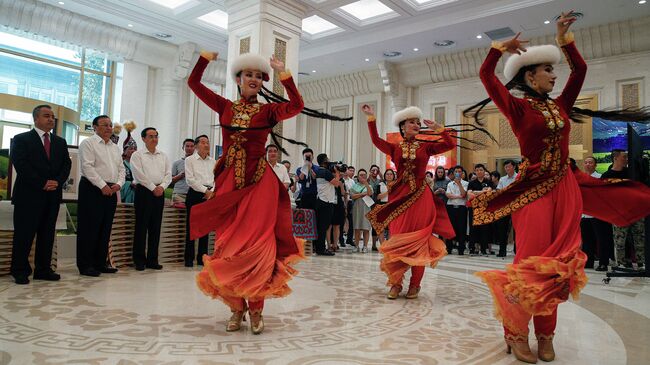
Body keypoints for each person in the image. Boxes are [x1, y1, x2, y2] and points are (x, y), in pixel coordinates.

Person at [465, 12, 650, 363]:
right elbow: (486, 77)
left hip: (564, 187)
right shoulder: (517, 108)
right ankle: (516, 332)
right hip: (533, 190)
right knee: (531, 262)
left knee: (558, 265)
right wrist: (498, 49)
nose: (554, 76)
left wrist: (564, 37)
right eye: (548, 70)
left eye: (554, 70)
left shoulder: (561, 106)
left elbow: (580, 71)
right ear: (530, 75)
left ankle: (546, 334)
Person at [187, 50, 305, 335]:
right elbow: (194, 83)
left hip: (259, 185)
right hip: (228, 183)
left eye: (257, 75)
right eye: (247, 74)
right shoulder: (225, 106)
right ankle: (236, 308)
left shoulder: (268, 112)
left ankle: (256, 310)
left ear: (262, 81)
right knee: (230, 246)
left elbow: (297, 105)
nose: (252, 79)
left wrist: (284, 74)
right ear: (238, 79)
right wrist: (204, 58)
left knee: (258, 246)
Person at [363, 104, 456, 300]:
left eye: (417, 122)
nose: (416, 124)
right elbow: (375, 140)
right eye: (412, 122)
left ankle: (415, 284)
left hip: (421, 198)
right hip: (400, 197)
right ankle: (396, 283)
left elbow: (449, 145)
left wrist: (440, 130)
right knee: (398, 240)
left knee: (419, 240)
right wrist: (371, 118)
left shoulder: (425, 146)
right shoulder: (395, 148)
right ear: (403, 126)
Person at [10, 105, 71, 285]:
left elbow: (66, 165)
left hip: (52, 196)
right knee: (24, 234)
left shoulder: (60, 142)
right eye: (47, 116)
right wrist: (42, 182)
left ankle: (43, 269)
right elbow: (20, 164)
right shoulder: (21, 139)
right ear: (36, 118)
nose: (51, 119)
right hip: (28, 195)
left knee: (47, 234)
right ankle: (20, 270)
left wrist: (57, 181)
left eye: (52, 116)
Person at [76, 115, 125, 277]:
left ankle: (100, 262)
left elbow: (121, 169)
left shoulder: (114, 147)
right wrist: (102, 185)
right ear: (95, 127)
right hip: (92, 188)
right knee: (89, 228)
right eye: (105, 125)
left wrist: (119, 184)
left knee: (105, 228)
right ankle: (86, 265)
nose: (109, 128)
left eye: (110, 125)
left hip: (111, 190)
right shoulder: (88, 143)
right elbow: (87, 167)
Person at [130, 127, 172, 271]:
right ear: (143, 139)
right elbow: (138, 174)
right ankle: (139, 259)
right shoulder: (137, 155)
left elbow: (168, 175)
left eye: (156, 136)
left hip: (160, 192)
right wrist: (153, 187)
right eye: (151, 136)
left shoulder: (163, 155)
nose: (154, 139)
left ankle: (152, 259)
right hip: (144, 192)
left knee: (155, 227)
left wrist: (162, 187)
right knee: (141, 226)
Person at [601, 150, 645, 271]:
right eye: (624, 157)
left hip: (636, 211)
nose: (626, 159)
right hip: (619, 213)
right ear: (615, 158)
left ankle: (642, 263)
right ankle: (620, 263)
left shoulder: (632, 174)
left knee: (639, 237)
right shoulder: (606, 176)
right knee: (619, 240)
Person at [183, 135, 216, 267]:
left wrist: (212, 191)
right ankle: (189, 258)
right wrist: (205, 191)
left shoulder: (213, 161)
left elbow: (216, 178)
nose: (206, 145)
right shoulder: (190, 160)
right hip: (195, 194)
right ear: (196, 146)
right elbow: (190, 180)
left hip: (210, 195)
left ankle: (202, 257)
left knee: (205, 228)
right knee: (191, 227)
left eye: (207, 143)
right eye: (203, 142)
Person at [314, 153, 341, 256]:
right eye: (328, 160)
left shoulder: (319, 171)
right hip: (326, 202)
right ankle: (321, 249)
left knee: (320, 226)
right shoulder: (325, 172)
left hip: (320, 200)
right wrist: (337, 173)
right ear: (325, 162)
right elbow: (337, 184)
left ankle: (318, 248)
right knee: (323, 227)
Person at [467, 164, 495, 255]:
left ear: (484, 171)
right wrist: (483, 192)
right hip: (474, 208)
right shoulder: (472, 182)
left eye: (481, 170)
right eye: (477, 170)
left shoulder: (489, 182)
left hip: (485, 208)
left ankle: (483, 249)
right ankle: (472, 248)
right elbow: (469, 194)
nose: (479, 171)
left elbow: (489, 193)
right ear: (475, 171)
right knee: (473, 228)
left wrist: (476, 192)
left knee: (484, 228)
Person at [580, 156, 601, 269]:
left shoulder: (599, 177)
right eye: (586, 162)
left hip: (596, 214)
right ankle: (588, 263)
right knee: (587, 240)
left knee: (598, 238)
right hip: (583, 214)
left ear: (595, 165)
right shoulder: (581, 178)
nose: (588, 164)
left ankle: (603, 261)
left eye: (590, 162)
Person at [494, 159, 518, 257]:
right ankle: (502, 251)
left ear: (514, 167)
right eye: (505, 167)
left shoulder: (518, 177)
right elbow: (499, 191)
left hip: (516, 207)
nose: (507, 168)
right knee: (502, 229)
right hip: (504, 207)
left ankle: (517, 250)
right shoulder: (502, 179)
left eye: (509, 166)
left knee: (517, 229)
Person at [446, 165, 469, 255]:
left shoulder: (466, 183)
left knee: (461, 228)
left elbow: (464, 194)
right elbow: (448, 195)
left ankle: (461, 249)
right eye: (456, 172)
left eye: (459, 172)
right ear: (453, 173)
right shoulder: (450, 184)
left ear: (462, 173)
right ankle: (449, 248)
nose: (457, 173)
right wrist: (458, 196)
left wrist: (459, 184)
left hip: (461, 208)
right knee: (451, 228)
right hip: (451, 207)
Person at [350, 169, 373, 252]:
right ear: (358, 176)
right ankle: (356, 246)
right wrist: (363, 194)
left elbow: (370, 194)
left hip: (366, 208)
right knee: (357, 227)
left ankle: (365, 246)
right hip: (357, 208)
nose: (363, 176)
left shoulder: (369, 186)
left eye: (364, 175)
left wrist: (366, 183)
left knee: (366, 227)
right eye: (361, 175)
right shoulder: (354, 186)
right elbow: (352, 196)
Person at [171, 138, 195, 205]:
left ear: (195, 148)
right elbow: (171, 181)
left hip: (194, 194)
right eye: (187, 146)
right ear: (183, 148)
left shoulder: (199, 163)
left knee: (192, 215)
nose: (189, 148)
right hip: (179, 194)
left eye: (192, 146)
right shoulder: (176, 163)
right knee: (178, 215)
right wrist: (182, 174)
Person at [376, 169, 396, 245]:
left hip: (392, 206)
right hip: (382, 206)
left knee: (391, 226)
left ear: (393, 176)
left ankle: (389, 245)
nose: (389, 176)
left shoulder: (396, 185)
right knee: (381, 227)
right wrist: (388, 191)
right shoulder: (380, 184)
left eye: (391, 174)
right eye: (387, 174)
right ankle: (382, 245)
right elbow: (378, 197)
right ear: (384, 175)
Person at [120, 121, 138, 203]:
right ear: (125, 151)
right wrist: (129, 184)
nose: (133, 151)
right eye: (131, 148)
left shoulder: (139, 165)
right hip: (124, 194)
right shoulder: (120, 164)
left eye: (135, 149)